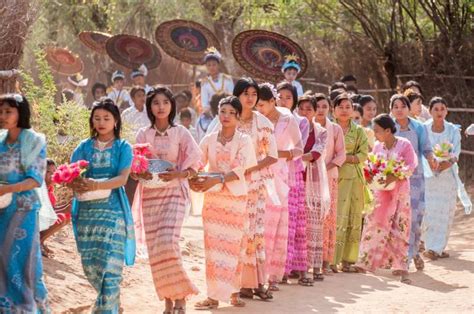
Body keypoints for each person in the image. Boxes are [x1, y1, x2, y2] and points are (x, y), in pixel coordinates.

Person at [131, 86, 201, 314]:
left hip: (174, 193)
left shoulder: (181, 133)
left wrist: (179, 174)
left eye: (165, 102)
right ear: (150, 107)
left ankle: (180, 296)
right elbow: (135, 165)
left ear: (172, 106)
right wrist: (139, 173)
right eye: (155, 103)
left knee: (168, 243)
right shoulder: (143, 134)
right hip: (150, 196)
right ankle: (168, 300)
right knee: (156, 249)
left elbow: (196, 161)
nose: (160, 107)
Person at [208, 77, 278, 300]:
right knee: (230, 235)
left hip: (254, 185)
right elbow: (208, 147)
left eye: (254, 94)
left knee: (252, 234)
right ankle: (232, 287)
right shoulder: (222, 120)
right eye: (245, 93)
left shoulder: (263, 123)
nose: (250, 98)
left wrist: (247, 169)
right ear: (236, 96)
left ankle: (254, 283)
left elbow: (272, 156)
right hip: (224, 188)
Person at [69, 98, 135, 313]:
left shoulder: (124, 147)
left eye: (106, 118)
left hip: (113, 211)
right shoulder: (83, 147)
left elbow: (122, 179)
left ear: (116, 121)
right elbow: (71, 175)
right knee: (91, 264)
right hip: (87, 213)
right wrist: (76, 182)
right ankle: (111, 302)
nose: (101, 122)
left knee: (111, 266)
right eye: (97, 118)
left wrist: (97, 184)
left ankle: (108, 308)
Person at [192, 96, 257, 310]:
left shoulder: (244, 140)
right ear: (218, 114)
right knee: (213, 249)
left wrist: (217, 178)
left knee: (233, 247)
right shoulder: (209, 138)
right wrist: (192, 177)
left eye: (231, 112)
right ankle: (212, 296)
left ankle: (234, 292)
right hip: (212, 199)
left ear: (238, 116)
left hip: (235, 199)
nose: (226, 116)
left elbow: (239, 169)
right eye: (223, 112)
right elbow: (197, 162)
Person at [0, 94, 50, 312]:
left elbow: (36, 179)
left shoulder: (34, 141)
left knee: (23, 260)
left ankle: (29, 307)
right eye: (0, 111)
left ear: (21, 113)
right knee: (2, 258)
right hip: (1, 208)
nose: (2, 116)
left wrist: (7, 188)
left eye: (8, 111)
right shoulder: (0, 140)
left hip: (25, 209)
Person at [355, 114, 418, 284]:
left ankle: (401, 266)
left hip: (399, 192)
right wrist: (369, 176)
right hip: (381, 192)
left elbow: (411, 165)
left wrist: (395, 176)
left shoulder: (405, 145)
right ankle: (366, 262)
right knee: (374, 224)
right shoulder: (377, 146)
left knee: (399, 226)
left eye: (377, 131)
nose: (374, 134)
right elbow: (371, 166)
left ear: (388, 131)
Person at [255, 83, 303, 290]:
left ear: (273, 101)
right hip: (257, 175)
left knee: (274, 226)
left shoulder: (287, 120)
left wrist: (277, 155)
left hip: (280, 178)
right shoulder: (256, 120)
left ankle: (272, 276)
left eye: (262, 105)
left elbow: (299, 149)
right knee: (258, 224)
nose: (258, 109)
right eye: (256, 105)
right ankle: (255, 275)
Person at [390, 94, 438, 272]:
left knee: (415, 220)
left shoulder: (418, 127)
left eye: (403, 106)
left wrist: (432, 159)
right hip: (394, 180)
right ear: (391, 109)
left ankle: (414, 251)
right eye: (396, 106)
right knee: (396, 220)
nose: (399, 109)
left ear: (409, 108)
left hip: (416, 180)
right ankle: (400, 261)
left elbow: (426, 148)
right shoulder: (390, 128)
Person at [422, 97, 472, 260]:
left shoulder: (452, 130)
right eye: (435, 109)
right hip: (428, 175)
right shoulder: (423, 129)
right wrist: (431, 162)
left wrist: (446, 163)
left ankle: (436, 248)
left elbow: (456, 152)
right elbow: (421, 149)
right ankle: (429, 244)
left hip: (447, 176)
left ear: (446, 111)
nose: (439, 112)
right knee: (429, 211)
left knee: (445, 211)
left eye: (442, 109)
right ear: (430, 111)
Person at [333, 93, 369, 272]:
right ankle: (332, 259)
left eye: (348, 107)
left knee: (353, 217)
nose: (345, 110)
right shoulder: (329, 129)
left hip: (354, 179)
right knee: (335, 217)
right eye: (341, 107)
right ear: (334, 110)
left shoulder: (359, 131)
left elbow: (363, 154)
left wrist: (345, 158)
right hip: (333, 177)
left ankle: (348, 260)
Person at [297, 94, 331, 283]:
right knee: (299, 225)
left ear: (314, 111)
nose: (304, 112)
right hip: (296, 180)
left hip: (314, 181)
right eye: (301, 109)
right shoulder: (293, 128)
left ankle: (316, 266)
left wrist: (294, 157)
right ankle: (298, 266)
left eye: (308, 109)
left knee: (315, 224)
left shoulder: (320, 131)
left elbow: (316, 153)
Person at [40, 158, 72, 258]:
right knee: (61, 217)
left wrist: (67, 206)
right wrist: (64, 208)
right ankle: (37, 242)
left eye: (54, 172)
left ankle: (40, 241)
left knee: (66, 216)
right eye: (48, 172)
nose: (52, 175)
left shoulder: (50, 190)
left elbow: (51, 209)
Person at [200, 47, 234, 112]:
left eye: (214, 64)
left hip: (227, 110)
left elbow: (232, 97)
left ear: (218, 65)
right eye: (209, 65)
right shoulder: (205, 83)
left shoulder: (227, 79)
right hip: (211, 112)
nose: (211, 67)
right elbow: (204, 103)